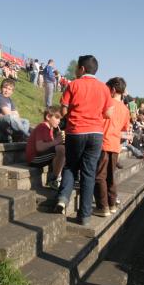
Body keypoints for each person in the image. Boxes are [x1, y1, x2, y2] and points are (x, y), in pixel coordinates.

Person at [54, 55, 114, 226]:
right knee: (89, 173)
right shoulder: (104, 88)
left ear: (81, 69)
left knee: (71, 166)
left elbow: (64, 111)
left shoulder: (73, 84)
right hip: (96, 134)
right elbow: (108, 114)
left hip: (76, 131)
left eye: (76, 68)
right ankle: (85, 216)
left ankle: (63, 198)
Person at [93, 77, 130, 217]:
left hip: (103, 143)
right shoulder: (125, 109)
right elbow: (125, 127)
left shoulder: (106, 103)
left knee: (99, 176)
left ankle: (103, 207)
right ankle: (112, 203)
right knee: (110, 176)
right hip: (115, 145)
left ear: (113, 90)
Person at [25, 106, 66, 189]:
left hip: (41, 156)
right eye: (57, 118)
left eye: (60, 119)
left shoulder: (50, 129)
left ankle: (59, 178)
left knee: (64, 149)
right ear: (48, 117)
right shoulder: (42, 127)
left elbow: (51, 146)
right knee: (61, 149)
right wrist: (56, 141)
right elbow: (39, 147)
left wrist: (59, 140)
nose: (59, 121)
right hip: (34, 158)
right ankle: (54, 180)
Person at [0, 78, 31, 142]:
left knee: (25, 121)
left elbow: (17, 116)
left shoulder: (10, 100)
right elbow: (8, 114)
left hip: (3, 121)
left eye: (9, 89)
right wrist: (10, 114)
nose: (7, 91)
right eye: (5, 88)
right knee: (10, 117)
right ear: (1, 88)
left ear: (12, 92)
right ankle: (26, 136)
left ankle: (19, 136)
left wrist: (7, 114)